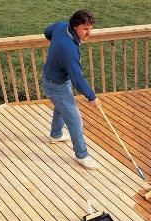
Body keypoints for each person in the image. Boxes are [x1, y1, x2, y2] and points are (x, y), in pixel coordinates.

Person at [42, 9, 99, 170]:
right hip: (56, 85)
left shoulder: (62, 27)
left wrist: (55, 44)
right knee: (75, 120)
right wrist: (91, 96)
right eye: (85, 29)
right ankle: (82, 155)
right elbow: (78, 79)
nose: (89, 32)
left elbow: (47, 31)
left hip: (56, 79)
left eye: (91, 28)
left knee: (61, 107)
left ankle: (56, 135)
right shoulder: (69, 50)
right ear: (75, 27)